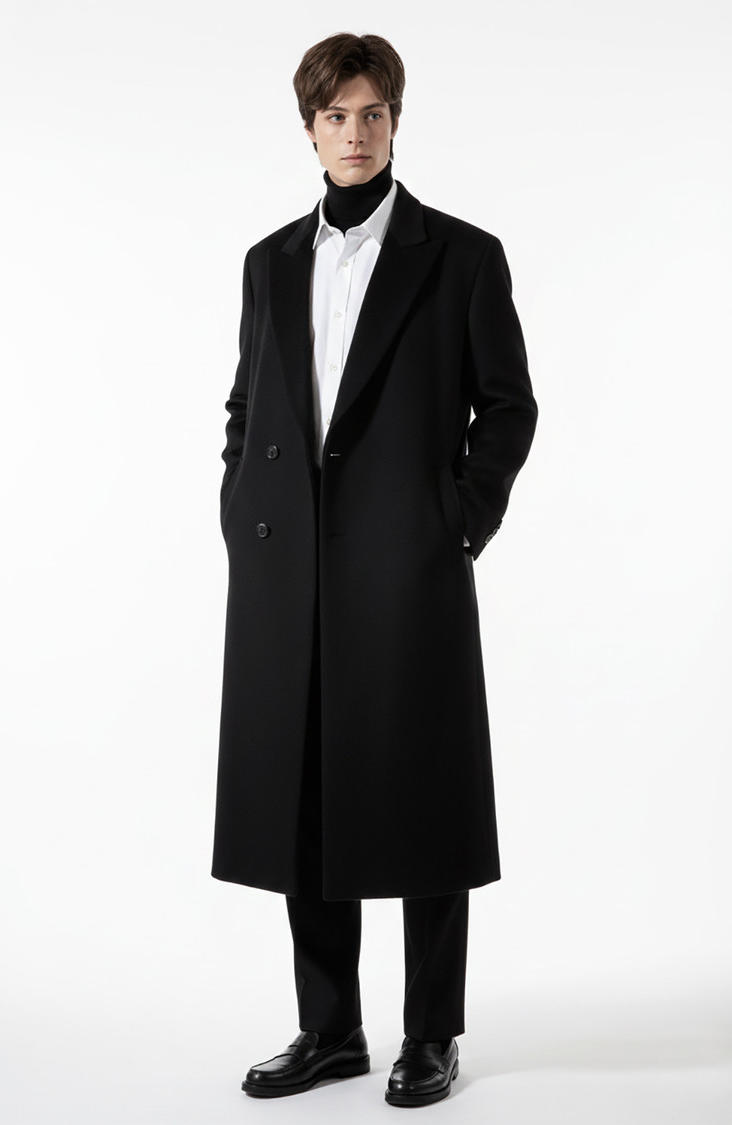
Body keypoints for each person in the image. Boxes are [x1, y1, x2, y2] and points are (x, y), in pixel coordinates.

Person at [211, 32, 538, 1108]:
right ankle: (331, 1029)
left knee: (426, 792)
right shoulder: (269, 261)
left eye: (372, 115)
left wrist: (457, 522)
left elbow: (509, 407)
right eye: (336, 117)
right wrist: (240, 508)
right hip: (285, 574)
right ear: (309, 130)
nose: (354, 134)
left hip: (409, 571)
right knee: (302, 797)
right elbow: (249, 402)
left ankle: (431, 1032)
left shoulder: (462, 256)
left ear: (396, 122)